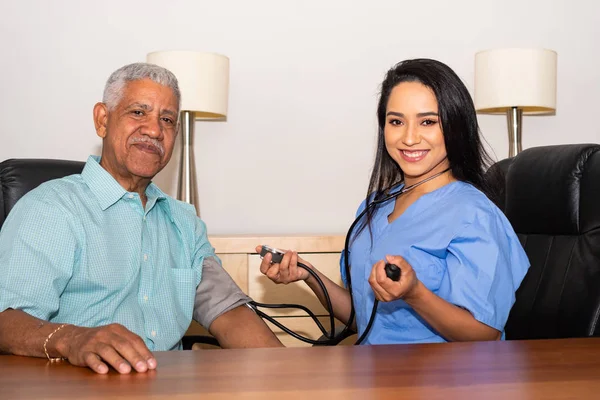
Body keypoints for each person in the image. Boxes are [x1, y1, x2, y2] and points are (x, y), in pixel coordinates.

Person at [0, 63, 282, 374]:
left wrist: (287, 378)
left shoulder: (184, 222)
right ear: (102, 120)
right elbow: (5, 321)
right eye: (138, 113)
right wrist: (74, 339)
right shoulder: (50, 208)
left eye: (167, 119)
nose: (154, 130)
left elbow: (228, 313)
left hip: (169, 389)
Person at [258, 58, 530, 345]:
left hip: (441, 384)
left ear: (455, 126)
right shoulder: (374, 206)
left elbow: (483, 335)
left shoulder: (475, 214)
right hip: (374, 379)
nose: (409, 138)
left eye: (427, 121)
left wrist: (415, 293)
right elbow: (364, 317)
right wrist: (309, 275)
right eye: (396, 121)